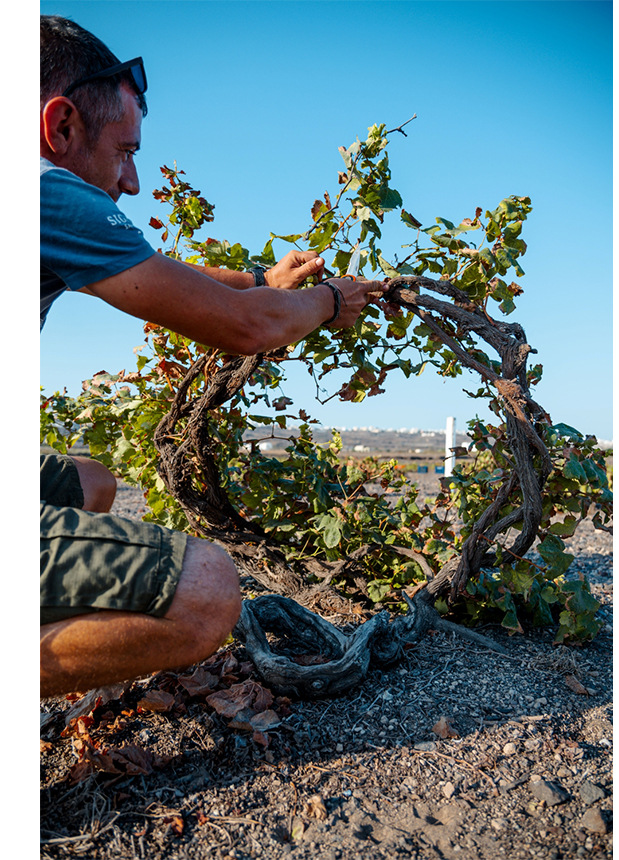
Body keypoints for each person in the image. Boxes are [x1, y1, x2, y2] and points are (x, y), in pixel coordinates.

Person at [39, 15, 384, 698]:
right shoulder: (44, 191)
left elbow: (163, 271)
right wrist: (328, 302)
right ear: (62, 126)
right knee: (205, 591)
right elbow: (243, 329)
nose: (131, 180)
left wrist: (262, 283)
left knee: (91, 484)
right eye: (124, 150)